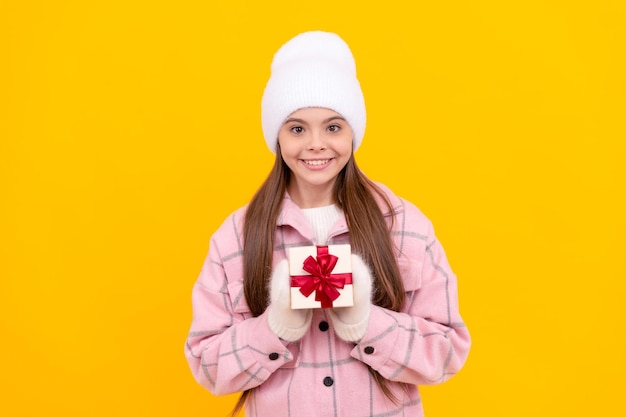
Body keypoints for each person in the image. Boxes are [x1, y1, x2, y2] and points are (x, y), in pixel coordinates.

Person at [185, 31, 471, 417]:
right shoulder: (236, 237)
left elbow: (448, 351)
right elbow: (206, 364)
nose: (316, 144)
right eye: (297, 128)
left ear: (354, 132)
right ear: (277, 136)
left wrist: (366, 322)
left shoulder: (404, 225)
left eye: (333, 127)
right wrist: (276, 325)